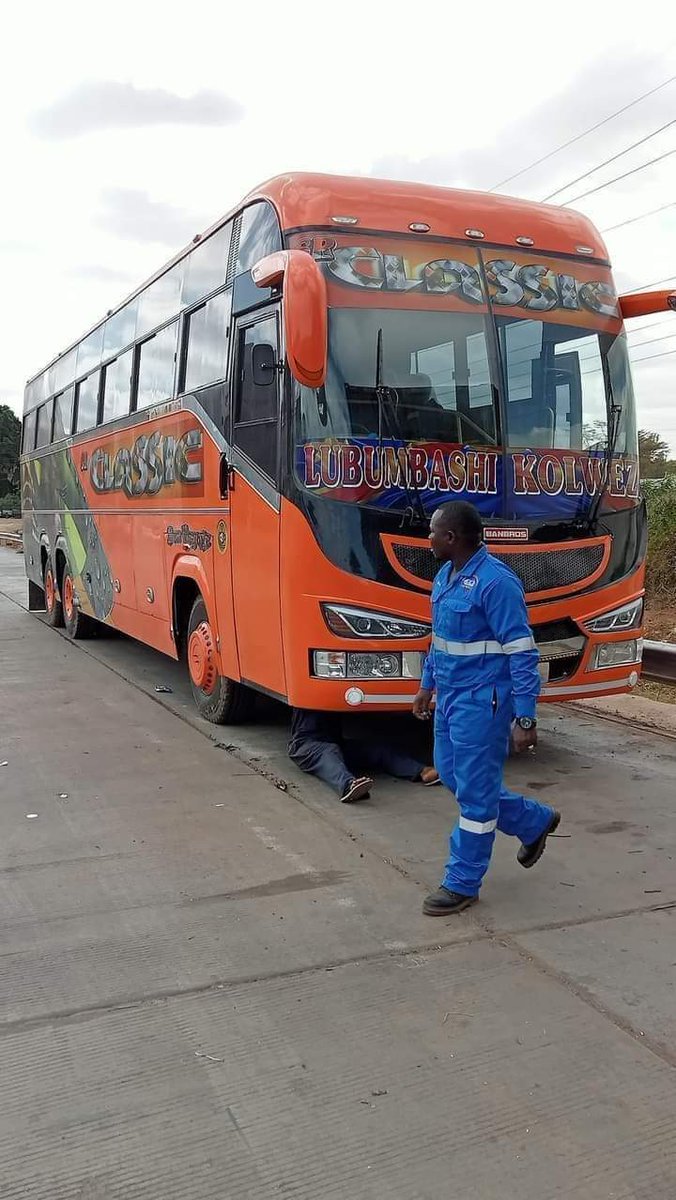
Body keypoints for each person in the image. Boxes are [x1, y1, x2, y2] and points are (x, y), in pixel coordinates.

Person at [413, 500, 560, 915]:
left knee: (476, 800)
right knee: (453, 776)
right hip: (449, 701)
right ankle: (532, 821)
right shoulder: (445, 576)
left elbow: (522, 653)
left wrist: (525, 716)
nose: (428, 538)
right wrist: (427, 686)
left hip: (484, 704)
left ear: (451, 538)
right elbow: (440, 641)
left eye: (432, 532)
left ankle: (462, 882)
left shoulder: (497, 584)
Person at [288, 708, 439, 803]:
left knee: (379, 749)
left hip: (338, 744)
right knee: (330, 753)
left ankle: (421, 771)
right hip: (305, 746)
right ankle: (348, 786)